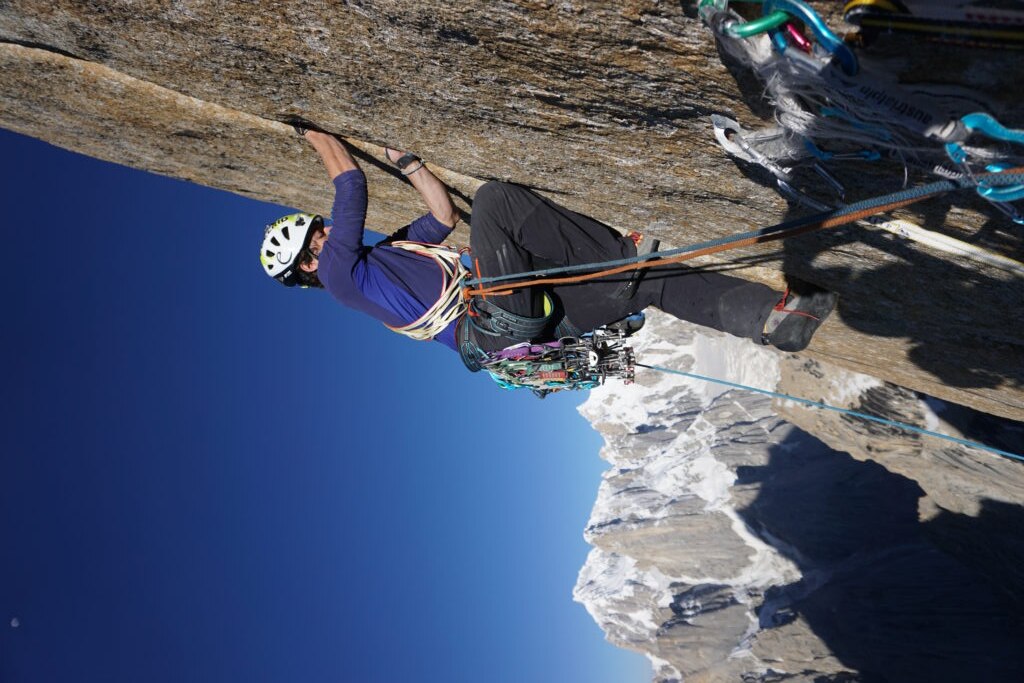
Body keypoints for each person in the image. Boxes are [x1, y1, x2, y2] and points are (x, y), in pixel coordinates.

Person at [260, 127, 837, 385]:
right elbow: (350, 184)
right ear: (309, 266)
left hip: (528, 321)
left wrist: (411, 165)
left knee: (652, 283)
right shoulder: (340, 276)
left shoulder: (384, 257)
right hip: (489, 320)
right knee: (495, 201)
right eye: (314, 240)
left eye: (317, 233)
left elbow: (441, 218)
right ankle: (616, 255)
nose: (325, 234)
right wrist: (310, 129)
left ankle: (772, 319)